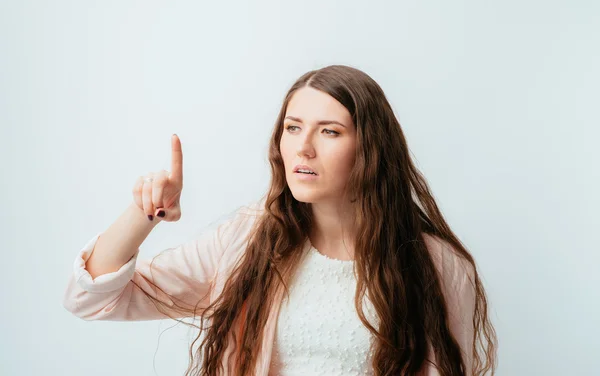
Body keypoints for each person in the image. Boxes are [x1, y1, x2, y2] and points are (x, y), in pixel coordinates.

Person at [63, 65, 498, 376]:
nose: (303, 148)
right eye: (292, 128)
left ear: (370, 149)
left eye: (329, 131)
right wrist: (145, 214)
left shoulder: (435, 266)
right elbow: (91, 299)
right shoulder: (246, 241)